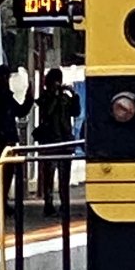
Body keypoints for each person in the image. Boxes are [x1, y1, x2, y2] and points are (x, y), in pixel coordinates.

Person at [0, 64, 34, 206]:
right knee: (2, 172)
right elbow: (20, 111)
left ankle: (0, 201)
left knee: (4, 171)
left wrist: (29, 98)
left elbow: (20, 111)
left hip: (1, 139)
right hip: (1, 140)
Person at [34, 68, 80, 215]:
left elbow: (76, 112)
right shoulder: (45, 97)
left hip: (65, 139)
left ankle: (64, 203)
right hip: (49, 140)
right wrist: (54, 96)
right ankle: (48, 203)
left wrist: (73, 95)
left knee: (64, 175)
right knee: (49, 174)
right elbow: (46, 113)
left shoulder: (65, 98)